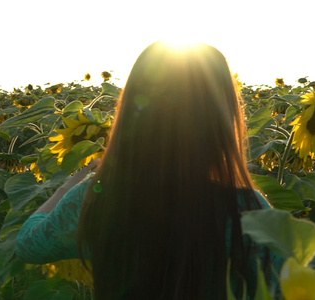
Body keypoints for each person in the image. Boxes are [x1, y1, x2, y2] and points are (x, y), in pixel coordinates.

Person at [16, 40, 283, 299]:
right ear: (222, 121)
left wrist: (69, 186)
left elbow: (28, 243)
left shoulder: (96, 200)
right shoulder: (248, 212)